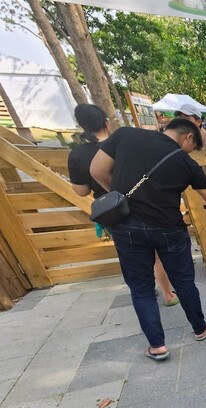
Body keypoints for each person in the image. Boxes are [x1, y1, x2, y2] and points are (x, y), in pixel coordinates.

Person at [90, 118, 206, 361]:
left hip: (127, 227)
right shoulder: (185, 162)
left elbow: (96, 170)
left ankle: (157, 346)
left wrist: (120, 196)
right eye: (194, 147)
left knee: (141, 288)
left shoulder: (125, 135)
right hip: (169, 229)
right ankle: (200, 328)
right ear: (188, 137)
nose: (191, 152)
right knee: (184, 281)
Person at [68, 104, 179, 306]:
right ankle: (168, 293)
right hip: (141, 203)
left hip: (111, 212)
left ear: (82, 126)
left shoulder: (77, 154)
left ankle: (144, 291)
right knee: (155, 251)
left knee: (129, 252)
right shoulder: (126, 143)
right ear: (106, 123)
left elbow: (81, 190)